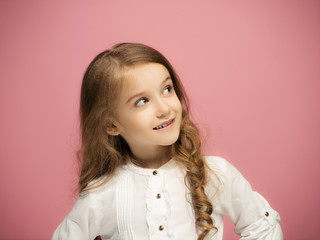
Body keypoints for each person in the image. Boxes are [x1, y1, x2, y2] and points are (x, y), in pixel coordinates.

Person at [52, 43, 282, 240]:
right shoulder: (101, 193)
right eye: (142, 101)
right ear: (112, 125)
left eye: (167, 89)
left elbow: (262, 225)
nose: (164, 108)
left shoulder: (214, 173)